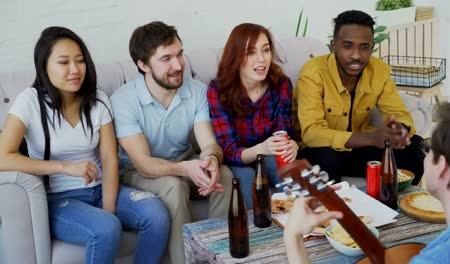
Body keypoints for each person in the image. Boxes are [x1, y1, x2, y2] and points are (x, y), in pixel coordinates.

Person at [0, 27, 170, 264]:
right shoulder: (29, 102)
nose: (74, 69)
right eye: (63, 62)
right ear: (44, 66)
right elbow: (3, 157)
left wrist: (109, 210)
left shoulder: (97, 99)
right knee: (105, 229)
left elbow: (110, 158)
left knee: (156, 215)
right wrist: (64, 167)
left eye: (80, 61)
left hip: (102, 190)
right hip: (59, 199)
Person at [110, 21, 232, 264]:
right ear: (143, 65)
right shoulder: (123, 100)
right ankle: (186, 261)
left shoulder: (197, 91)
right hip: (139, 172)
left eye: (179, 54)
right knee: (173, 187)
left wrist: (211, 159)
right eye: (166, 59)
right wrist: (185, 169)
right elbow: (144, 164)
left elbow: (209, 143)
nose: (178, 66)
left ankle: (217, 255)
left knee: (225, 175)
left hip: (184, 161)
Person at [284, 102, 450, 263]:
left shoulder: (435, 259)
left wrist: (292, 237)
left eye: (429, 149)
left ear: (441, 166)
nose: (425, 154)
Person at [294, 10, 425, 184]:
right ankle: (336, 208)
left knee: (414, 147)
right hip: (318, 150)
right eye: (347, 46)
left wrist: (398, 132)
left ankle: (399, 205)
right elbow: (312, 134)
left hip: (356, 146)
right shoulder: (313, 73)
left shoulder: (379, 71)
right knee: (326, 157)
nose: (356, 55)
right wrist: (372, 138)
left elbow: (400, 113)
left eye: (364, 47)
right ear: (334, 46)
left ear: (372, 48)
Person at [208, 23, 299, 209]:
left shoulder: (281, 83)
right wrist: (262, 148)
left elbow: (284, 131)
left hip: (269, 154)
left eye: (265, 50)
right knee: (248, 178)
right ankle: (260, 233)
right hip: (238, 159)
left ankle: (298, 227)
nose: (261, 59)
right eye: (250, 53)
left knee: (286, 171)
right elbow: (229, 150)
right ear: (236, 56)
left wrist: (292, 145)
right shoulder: (218, 90)